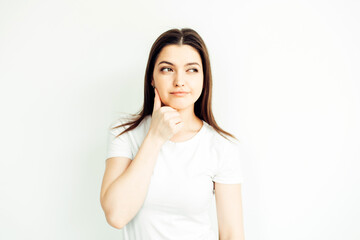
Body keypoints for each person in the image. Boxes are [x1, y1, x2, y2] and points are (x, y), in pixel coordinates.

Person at [100, 28, 245, 240]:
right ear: (152, 77)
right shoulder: (125, 133)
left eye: (192, 70)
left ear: (204, 78)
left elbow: (232, 234)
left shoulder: (221, 146)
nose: (179, 81)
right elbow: (116, 216)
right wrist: (155, 138)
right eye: (167, 69)